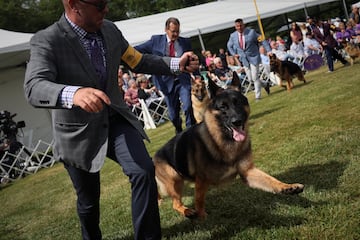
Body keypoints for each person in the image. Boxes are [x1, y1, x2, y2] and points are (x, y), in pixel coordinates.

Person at [23, 1, 199, 239]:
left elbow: (138, 60)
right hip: (77, 132)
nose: (106, 9)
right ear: (74, 4)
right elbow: (34, 87)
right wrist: (73, 94)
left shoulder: (110, 30)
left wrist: (177, 63)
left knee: (143, 170)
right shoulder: (47, 40)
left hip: (115, 118)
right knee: (88, 203)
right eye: (99, 4)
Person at [135, 17, 195, 134]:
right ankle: (179, 131)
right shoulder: (155, 41)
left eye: (178, 31)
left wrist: (196, 75)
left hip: (182, 81)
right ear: (166, 30)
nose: (176, 34)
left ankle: (191, 133)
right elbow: (137, 50)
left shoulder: (185, 42)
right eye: (173, 31)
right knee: (173, 115)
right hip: (166, 84)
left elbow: (192, 60)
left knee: (187, 106)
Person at [227, 18, 270, 100]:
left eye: (241, 25)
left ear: (243, 25)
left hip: (254, 57)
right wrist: (234, 54)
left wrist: (269, 50)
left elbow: (262, 40)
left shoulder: (251, 32)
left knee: (255, 77)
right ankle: (265, 84)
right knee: (250, 79)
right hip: (244, 59)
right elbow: (229, 45)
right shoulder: (233, 36)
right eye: (237, 26)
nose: (239, 27)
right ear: (235, 27)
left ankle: (258, 97)